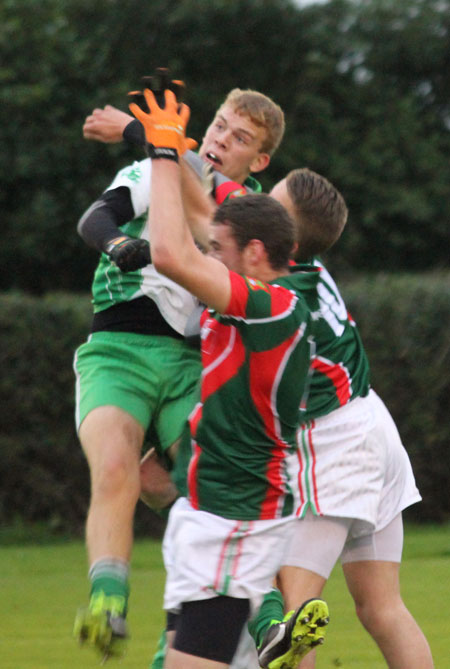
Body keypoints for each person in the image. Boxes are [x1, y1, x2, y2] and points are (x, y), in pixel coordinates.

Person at [73, 84, 286, 660]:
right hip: (118, 348)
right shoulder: (161, 167)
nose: (220, 140)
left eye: (239, 138)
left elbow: (207, 196)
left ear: (259, 161)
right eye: (219, 125)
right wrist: (117, 241)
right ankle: (106, 602)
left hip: (196, 359)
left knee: (203, 483)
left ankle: (258, 618)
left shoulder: (250, 214)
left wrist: (139, 131)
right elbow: (96, 217)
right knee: (119, 469)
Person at [129, 87, 329, 669]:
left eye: (218, 251)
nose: (208, 257)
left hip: (233, 516)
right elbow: (196, 221)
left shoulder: (272, 305)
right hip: (212, 511)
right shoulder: (259, 283)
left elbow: (170, 254)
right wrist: (163, 154)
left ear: (256, 254)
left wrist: (166, 153)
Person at [250, 168, 434, 669]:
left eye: (271, 200)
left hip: (335, 444)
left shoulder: (281, 287)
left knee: (286, 626)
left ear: (285, 234)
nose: (260, 202)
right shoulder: (306, 263)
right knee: (381, 607)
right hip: (372, 426)